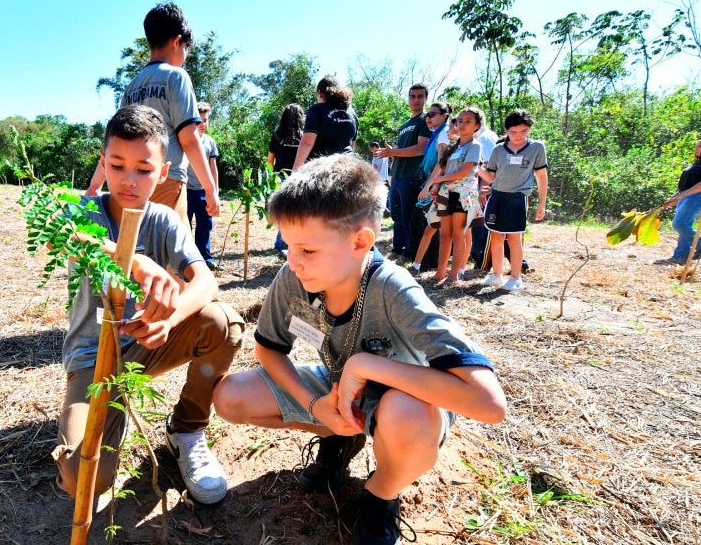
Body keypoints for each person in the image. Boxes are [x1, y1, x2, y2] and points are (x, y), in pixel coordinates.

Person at [213, 154, 506, 545]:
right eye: (288, 247)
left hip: (408, 404)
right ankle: (342, 434)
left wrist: (366, 365)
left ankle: (381, 494)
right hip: (337, 389)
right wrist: (317, 405)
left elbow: (489, 404)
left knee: (408, 416)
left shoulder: (392, 288)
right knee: (231, 397)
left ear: (360, 242)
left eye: (308, 250)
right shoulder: (294, 276)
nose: (294, 262)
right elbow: (269, 351)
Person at [53, 105, 244, 505]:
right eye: (118, 165)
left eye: (143, 169)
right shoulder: (83, 213)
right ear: (103, 164)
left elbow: (206, 281)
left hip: (146, 346)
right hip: (93, 358)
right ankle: (111, 411)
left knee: (221, 322)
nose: (129, 179)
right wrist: (131, 258)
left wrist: (169, 321)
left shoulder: (165, 220)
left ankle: (186, 430)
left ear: (162, 173)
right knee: (81, 479)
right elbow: (63, 237)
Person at [85, 2, 219, 223]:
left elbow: (116, 141)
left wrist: (95, 185)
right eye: (185, 47)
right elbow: (189, 138)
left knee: (136, 246)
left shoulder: (132, 85)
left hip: (133, 182)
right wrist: (210, 187)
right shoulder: (176, 76)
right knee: (176, 250)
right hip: (167, 178)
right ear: (177, 41)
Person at [477, 110, 548, 291]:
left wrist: (542, 203)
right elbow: (491, 176)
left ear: (530, 129)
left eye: (523, 131)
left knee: (514, 239)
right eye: (514, 132)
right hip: (497, 197)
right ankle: (496, 274)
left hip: (517, 198)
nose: (518, 136)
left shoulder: (537, 147)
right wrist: (475, 168)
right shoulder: (498, 149)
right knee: (496, 236)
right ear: (506, 130)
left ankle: (516, 278)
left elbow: (541, 175)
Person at [373, 84, 431, 262]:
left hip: (411, 176)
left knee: (407, 216)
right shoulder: (405, 124)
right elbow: (403, 149)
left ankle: (409, 252)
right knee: (397, 216)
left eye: (420, 96)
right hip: (397, 176)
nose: (415, 100)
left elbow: (420, 149)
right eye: (412, 96)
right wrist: (389, 153)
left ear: (425, 99)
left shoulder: (425, 120)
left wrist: (393, 152)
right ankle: (397, 248)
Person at [432, 107, 486, 285]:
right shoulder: (452, 146)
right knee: (444, 234)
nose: (462, 124)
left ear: (477, 126)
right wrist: (437, 185)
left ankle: (454, 275)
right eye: (460, 121)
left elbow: (465, 171)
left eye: (468, 121)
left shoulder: (475, 145)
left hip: (463, 195)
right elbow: (444, 169)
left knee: (459, 234)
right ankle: (440, 273)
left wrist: (440, 179)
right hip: (446, 193)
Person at [655, 137, 701, 264]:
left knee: (679, 224)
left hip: (699, 195)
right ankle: (681, 256)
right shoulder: (699, 163)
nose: (696, 149)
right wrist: (673, 198)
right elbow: (686, 185)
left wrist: (681, 196)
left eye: (699, 146)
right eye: (696, 146)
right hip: (689, 195)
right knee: (684, 225)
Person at [411, 103, 454, 273]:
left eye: (432, 114)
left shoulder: (444, 133)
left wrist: (430, 186)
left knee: (420, 222)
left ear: (445, 116)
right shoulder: (436, 134)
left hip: (436, 185)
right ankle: (427, 264)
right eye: (427, 115)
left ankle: (425, 264)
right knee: (431, 224)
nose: (428, 118)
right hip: (432, 183)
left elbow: (441, 164)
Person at [291, 76, 358, 171]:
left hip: (321, 167)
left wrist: (295, 171)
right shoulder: (352, 113)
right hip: (349, 165)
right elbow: (352, 143)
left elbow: (307, 142)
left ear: (320, 93)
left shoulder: (317, 109)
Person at [186, 102, 221, 270]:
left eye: (206, 120)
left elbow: (213, 168)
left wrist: (215, 191)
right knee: (184, 226)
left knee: (205, 225)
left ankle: (205, 258)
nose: (203, 124)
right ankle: (186, 261)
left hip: (203, 191)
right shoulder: (184, 141)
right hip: (185, 191)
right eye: (199, 121)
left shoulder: (210, 143)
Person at [268, 103, 304, 254]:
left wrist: (270, 177)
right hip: (298, 177)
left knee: (282, 212)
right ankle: (285, 244)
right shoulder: (304, 136)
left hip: (280, 178)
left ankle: (281, 244)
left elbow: (270, 160)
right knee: (295, 213)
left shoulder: (277, 135)